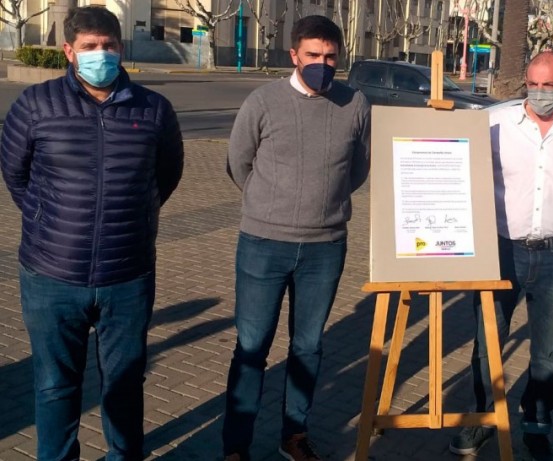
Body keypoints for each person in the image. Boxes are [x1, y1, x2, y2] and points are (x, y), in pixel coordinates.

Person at [0, 6, 184, 460]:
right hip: (51, 277)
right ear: (68, 51)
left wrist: (132, 218)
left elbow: (168, 174)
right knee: (55, 386)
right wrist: (51, 220)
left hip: (128, 276)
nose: (100, 54)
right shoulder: (34, 106)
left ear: (120, 48)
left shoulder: (154, 109)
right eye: (89, 47)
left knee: (124, 386)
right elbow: (15, 174)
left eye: (108, 46)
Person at [221, 15, 370, 461]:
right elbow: (238, 163)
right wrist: (272, 204)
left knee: (307, 347)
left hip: (326, 248)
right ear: (294, 55)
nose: (322, 64)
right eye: (312, 56)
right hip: (263, 245)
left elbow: (358, 168)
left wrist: (323, 204)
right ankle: (235, 447)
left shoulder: (355, 103)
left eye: (329, 57)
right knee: (252, 347)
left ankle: (294, 436)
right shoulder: (263, 101)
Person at [448, 51, 553, 461]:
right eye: (532, 84)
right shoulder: (495, 123)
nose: (538, 93)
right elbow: (459, 169)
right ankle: (483, 420)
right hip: (500, 250)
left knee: (547, 351)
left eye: (548, 86)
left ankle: (536, 425)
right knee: (488, 343)